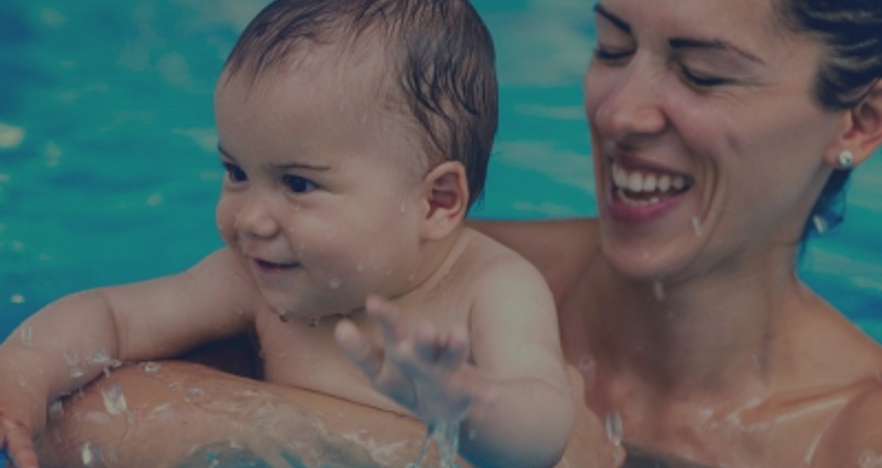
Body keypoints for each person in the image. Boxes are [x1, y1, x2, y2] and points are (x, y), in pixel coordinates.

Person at [28, 0, 882, 466]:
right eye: (613, 46)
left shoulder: (850, 441)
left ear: (861, 118)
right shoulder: (357, 266)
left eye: (703, 72)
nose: (617, 111)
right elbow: (93, 424)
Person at [0, 1, 577, 467]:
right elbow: (110, 316)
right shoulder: (253, 277)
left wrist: (467, 404)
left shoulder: (492, 289)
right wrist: (21, 378)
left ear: (436, 202)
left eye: (298, 184)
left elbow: (545, 429)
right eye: (236, 173)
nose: (249, 219)